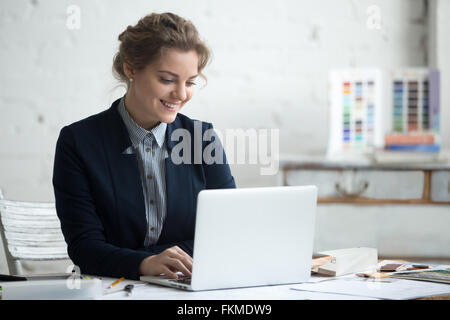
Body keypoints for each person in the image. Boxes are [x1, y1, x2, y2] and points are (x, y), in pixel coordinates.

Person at [53, 12, 236, 281]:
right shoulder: (78, 143)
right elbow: (85, 248)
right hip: (114, 290)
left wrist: (150, 258)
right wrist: (144, 263)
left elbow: (229, 231)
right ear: (131, 69)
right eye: (167, 79)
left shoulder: (202, 138)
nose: (182, 94)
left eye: (190, 82)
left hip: (187, 284)